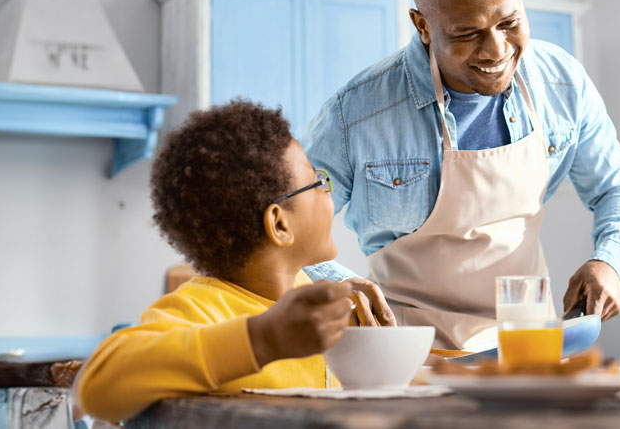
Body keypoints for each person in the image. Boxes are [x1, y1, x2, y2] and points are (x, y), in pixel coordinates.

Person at [303, 0, 620, 350]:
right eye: (468, 33)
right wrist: (340, 286)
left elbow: (617, 187)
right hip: (406, 353)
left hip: (528, 346)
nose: (496, 50)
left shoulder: (562, 83)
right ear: (423, 26)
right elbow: (285, 239)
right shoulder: (355, 114)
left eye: (510, 23)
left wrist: (610, 262)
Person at [75, 100, 393, 421]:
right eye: (318, 182)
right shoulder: (201, 308)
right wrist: (263, 338)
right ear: (280, 224)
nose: (329, 193)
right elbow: (96, 389)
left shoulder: (311, 294)